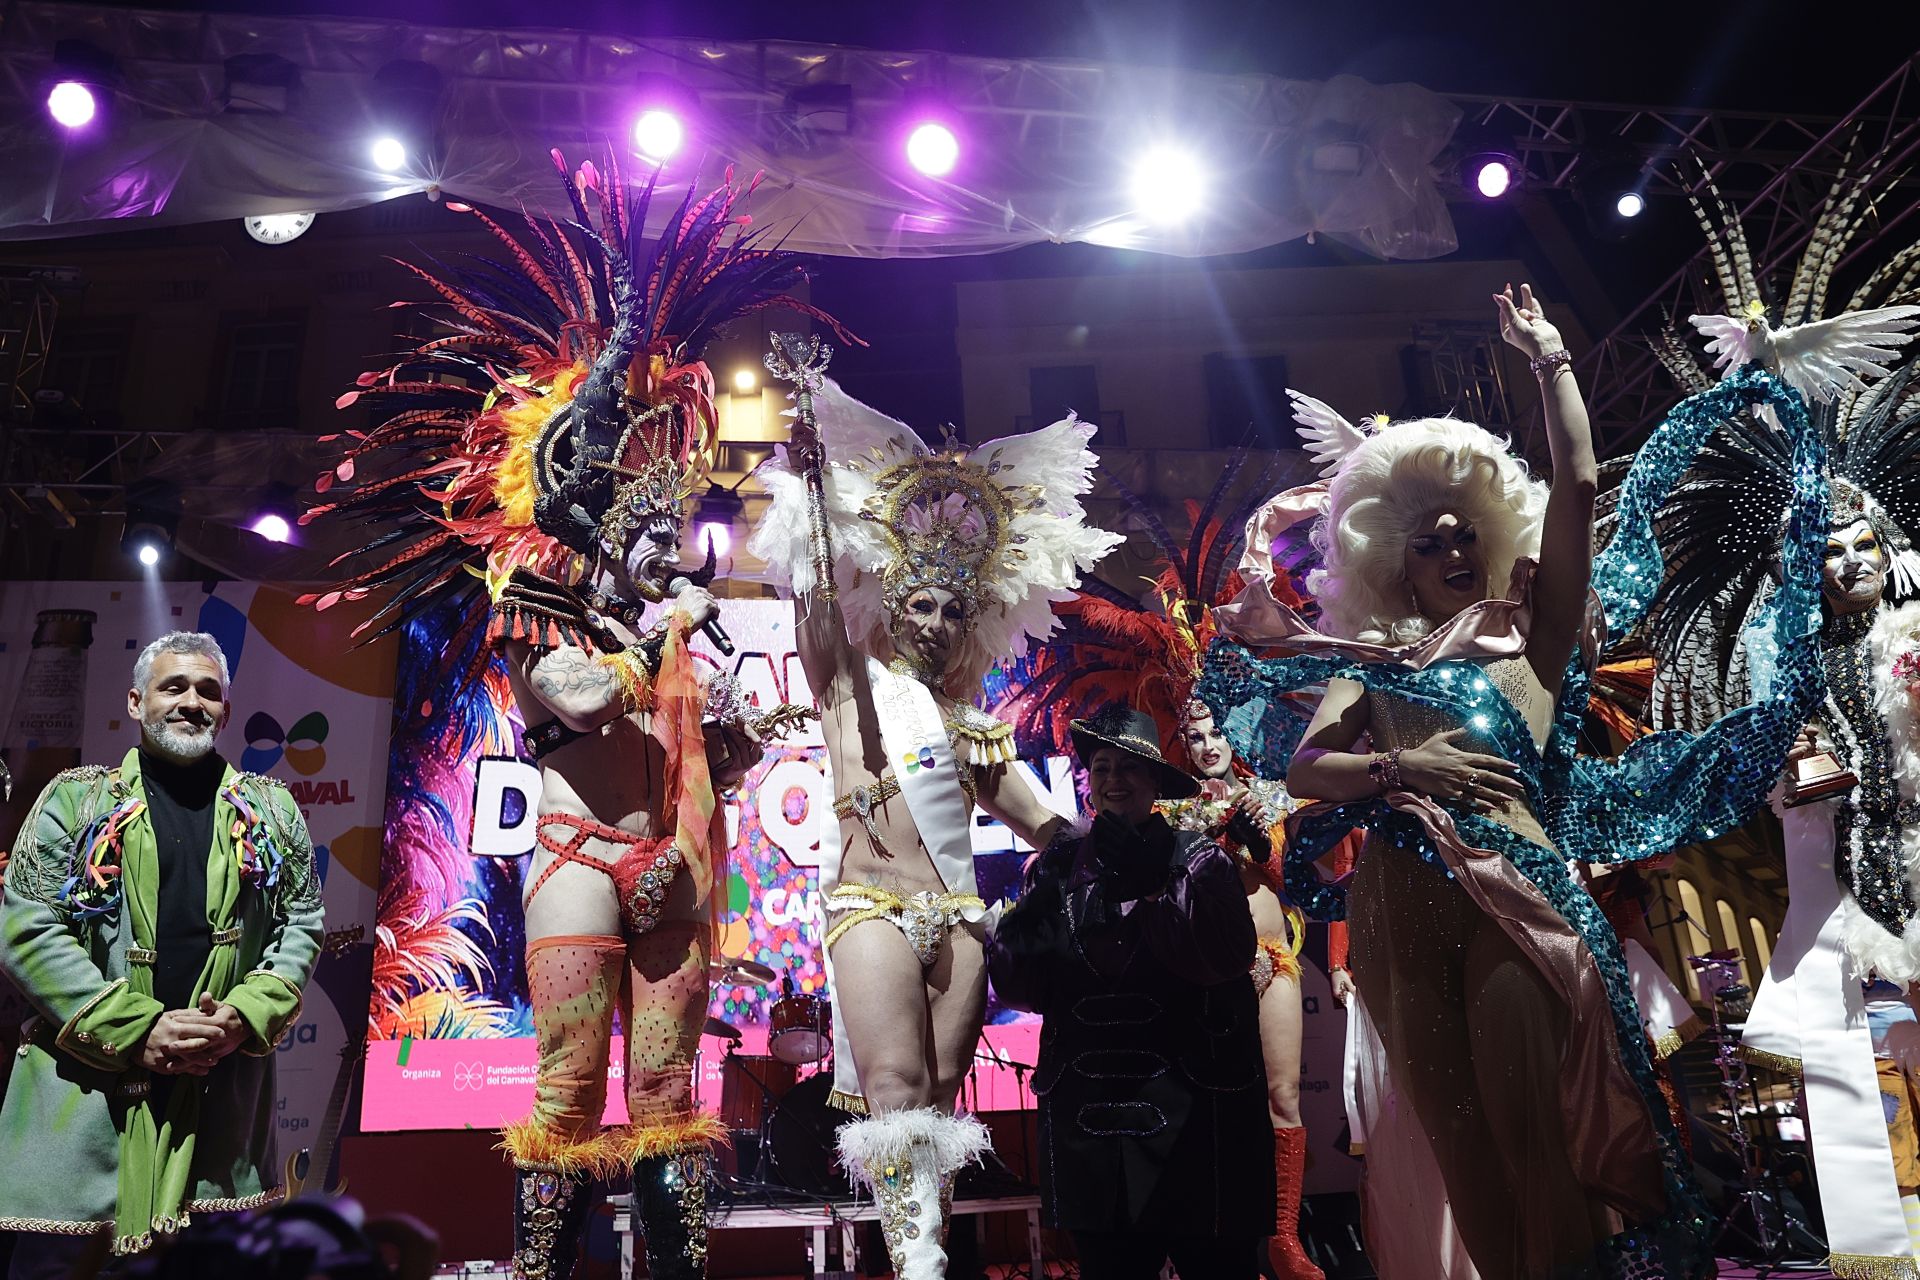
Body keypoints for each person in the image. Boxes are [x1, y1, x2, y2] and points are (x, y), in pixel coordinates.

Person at [1198, 285, 1828, 1277]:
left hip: (1515, 894)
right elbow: (1304, 763)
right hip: (1400, 902)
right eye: (1428, 538)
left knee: (1535, 1136)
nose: (1451, 549)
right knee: (1467, 1157)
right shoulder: (1375, 661)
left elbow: (1575, 482)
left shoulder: (1535, 632)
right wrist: (1404, 763)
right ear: (1394, 559)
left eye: (1462, 532)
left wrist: (1550, 361)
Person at [302, 163, 844, 1280]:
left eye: (670, 526)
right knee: (564, 1083)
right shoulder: (536, 606)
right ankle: (548, 1268)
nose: (662, 544)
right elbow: (588, 697)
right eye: (644, 529)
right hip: (576, 856)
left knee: (669, 1092)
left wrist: (745, 731)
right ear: (603, 531)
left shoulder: (686, 633)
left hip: (675, 864)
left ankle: (678, 1268)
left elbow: (708, 755)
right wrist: (673, 627)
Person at [749, 338, 1119, 1277]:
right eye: (918, 602)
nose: (935, 622)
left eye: (955, 610)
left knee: (946, 1095)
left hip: (958, 919)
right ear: (891, 604)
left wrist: (1151, 840)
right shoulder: (851, 688)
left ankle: (928, 1252)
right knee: (895, 1087)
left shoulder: (972, 726)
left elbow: (1056, 834)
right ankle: (919, 1265)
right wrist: (812, 466)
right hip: (870, 904)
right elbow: (817, 602)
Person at [1622, 168, 1920, 1270]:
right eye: (1827, 548)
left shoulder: (1913, 637)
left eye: (1863, 546)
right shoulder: (1776, 666)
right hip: (1840, 907)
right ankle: (1875, 1254)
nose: (1849, 561)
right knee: (1850, 1084)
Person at [0, 631, 325, 1275]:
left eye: (208, 691)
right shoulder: (76, 800)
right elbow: (27, 925)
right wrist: (138, 1027)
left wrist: (242, 1017)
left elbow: (303, 924)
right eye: (172, 686)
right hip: (84, 1107)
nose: (191, 701)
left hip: (219, 1106)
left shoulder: (273, 810)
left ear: (226, 712)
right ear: (135, 701)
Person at [986, 702, 1272, 1280]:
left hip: (1195, 1121)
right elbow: (1028, 984)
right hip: (1095, 1125)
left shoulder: (1200, 859)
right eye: (1102, 767)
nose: (1114, 780)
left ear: (1153, 782)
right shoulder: (1058, 867)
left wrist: (1150, 883)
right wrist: (1004, 937)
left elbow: (1226, 956)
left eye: (1129, 768)